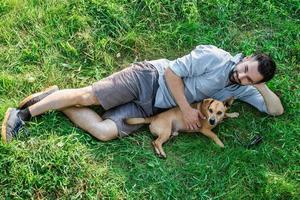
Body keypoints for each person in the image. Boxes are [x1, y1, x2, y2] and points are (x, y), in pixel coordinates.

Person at [1, 45, 284, 143]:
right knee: (88, 97)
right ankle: (21, 114)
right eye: (245, 68)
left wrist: (259, 86)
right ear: (244, 58)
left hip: (152, 109)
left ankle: (54, 98)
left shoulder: (242, 88)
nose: (241, 75)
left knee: (104, 132)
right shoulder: (214, 57)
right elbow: (173, 73)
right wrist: (186, 109)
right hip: (149, 79)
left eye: (249, 78)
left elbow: (275, 111)